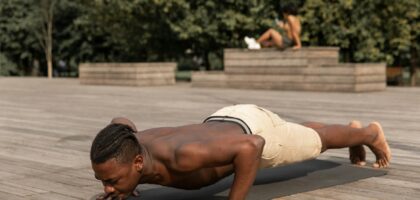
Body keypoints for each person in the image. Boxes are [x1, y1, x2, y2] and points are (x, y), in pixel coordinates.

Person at [90, 104, 391, 200]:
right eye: (103, 181)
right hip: (225, 119)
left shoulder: (183, 156)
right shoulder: (131, 144)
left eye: (112, 181)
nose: (107, 187)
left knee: (315, 141)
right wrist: (122, 187)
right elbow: (121, 122)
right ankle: (352, 131)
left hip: (252, 132)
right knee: (297, 130)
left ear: (138, 162)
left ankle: (369, 133)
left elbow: (252, 147)